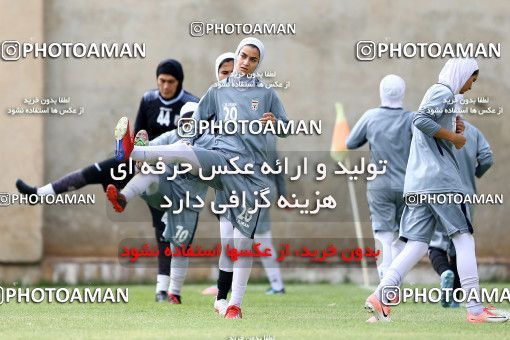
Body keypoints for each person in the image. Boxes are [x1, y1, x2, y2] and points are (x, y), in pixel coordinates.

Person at [110, 37, 289, 319]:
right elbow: (194, 125)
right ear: (237, 55)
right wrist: (187, 139)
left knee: (241, 244)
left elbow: (288, 127)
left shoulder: (266, 94)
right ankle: (136, 152)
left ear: (258, 64)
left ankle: (234, 304)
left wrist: (276, 123)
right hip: (219, 159)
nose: (245, 62)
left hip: (248, 176)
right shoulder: (217, 91)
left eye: (253, 59)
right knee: (183, 147)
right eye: (243, 56)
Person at [15, 58, 198, 303]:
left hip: (169, 171)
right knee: (96, 170)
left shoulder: (191, 106)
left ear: (179, 82)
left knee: (163, 227)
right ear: (157, 80)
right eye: (162, 81)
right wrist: (136, 153)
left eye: (171, 82)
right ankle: (40, 193)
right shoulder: (148, 99)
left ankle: (162, 290)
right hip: (141, 159)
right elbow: (139, 135)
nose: (165, 86)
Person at [364, 58, 507, 323]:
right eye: (472, 80)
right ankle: (476, 309)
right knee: (464, 239)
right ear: (462, 74)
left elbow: (429, 127)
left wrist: (454, 127)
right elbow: (420, 119)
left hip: (419, 183)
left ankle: (380, 296)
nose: (471, 86)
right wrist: (453, 136)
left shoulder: (441, 95)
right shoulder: (442, 91)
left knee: (417, 245)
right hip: (440, 182)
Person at [428, 94, 493, 308]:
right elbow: (487, 159)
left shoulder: (437, 132)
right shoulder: (473, 132)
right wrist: (475, 173)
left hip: (439, 193)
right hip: (466, 195)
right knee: (461, 244)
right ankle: (456, 297)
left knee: (436, 242)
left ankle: (444, 272)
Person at [346, 74, 412, 282]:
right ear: (403, 92)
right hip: (407, 186)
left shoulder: (371, 116)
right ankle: (396, 283)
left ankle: (385, 282)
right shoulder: (411, 118)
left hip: (380, 185)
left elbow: (351, 143)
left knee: (382, 234)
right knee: (402, 236)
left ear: (381, 91)